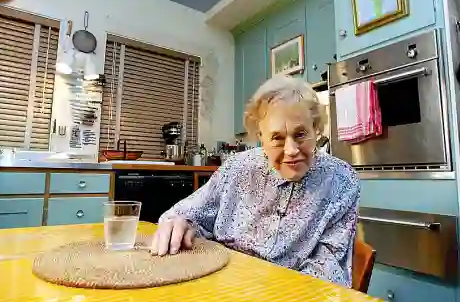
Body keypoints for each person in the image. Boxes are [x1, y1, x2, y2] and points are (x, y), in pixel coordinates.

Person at [150, 75, 361, 287]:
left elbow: (327, 271)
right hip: (221, 287)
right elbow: (185, 214)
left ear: (316, 129)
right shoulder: (238, 167)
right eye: (277, 138)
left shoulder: (341, 180)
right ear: (261, 136)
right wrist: (180, 223)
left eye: (301, 134)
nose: (291, 151)